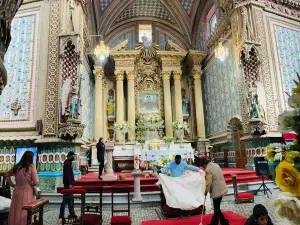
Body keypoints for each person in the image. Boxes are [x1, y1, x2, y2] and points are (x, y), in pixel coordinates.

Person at [5, 151, 39, 225]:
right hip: (27, 193)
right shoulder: (31, 167)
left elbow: (7, 174)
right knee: (24, 212)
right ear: (31, 158)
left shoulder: (17, 167)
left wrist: (12, 184)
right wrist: (31, 183)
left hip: (16, 192)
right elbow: (36, 182)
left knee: (15, 211)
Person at [196, 156, 229, 225]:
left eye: (203, 166)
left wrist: (206, 191)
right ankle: (214, 223)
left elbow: (209, 182)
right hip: (222, 187)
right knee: (216, 207)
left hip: (217, 190)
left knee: (217, 209)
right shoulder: (215, 165)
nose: (203, 168)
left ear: (204, 164)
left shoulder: (208, 169)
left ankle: (224, 223)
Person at [59, 151, 77, 219]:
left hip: (69, 183)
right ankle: (62, 214)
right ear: (69, 156)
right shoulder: (67, 163)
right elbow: (67, 174)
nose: (74, 157)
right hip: (68, 184)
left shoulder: (69, 162)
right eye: (73, 156)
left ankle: (71, 213)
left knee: (69, 199)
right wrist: (70, 183)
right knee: (66, 199)